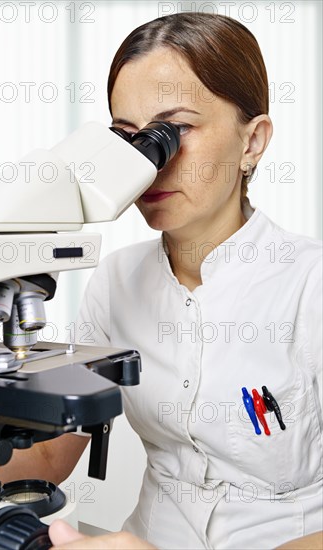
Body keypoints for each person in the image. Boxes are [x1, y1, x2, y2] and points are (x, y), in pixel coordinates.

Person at [59, 12, 322, 550]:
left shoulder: (310, 283)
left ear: (253, 142)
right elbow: (53, 447)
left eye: (173, 130)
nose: (148, 164)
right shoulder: (115, 280)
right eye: (129, 139)